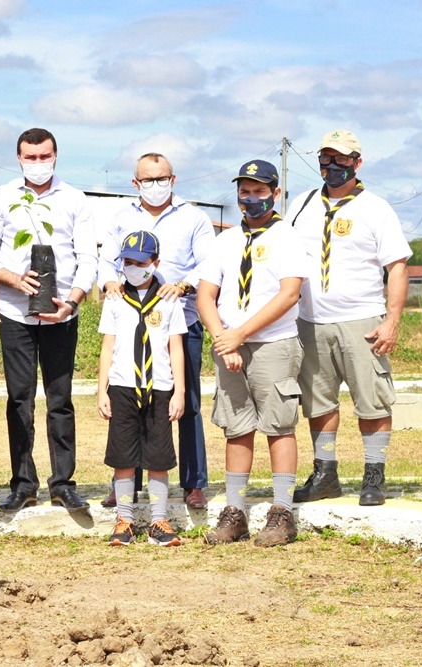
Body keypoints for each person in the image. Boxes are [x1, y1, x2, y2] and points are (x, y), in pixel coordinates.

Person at [0, 128, 97, 513]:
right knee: (18, 401)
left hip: (60, 315)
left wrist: (72, 303)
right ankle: (23, 484)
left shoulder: (75, 199)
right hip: (14, 314)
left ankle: (63, 483)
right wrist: (12, 277)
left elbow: (88, 259)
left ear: (56, 156)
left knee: (60, 401)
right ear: (19, 157)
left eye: (45, 157)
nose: (38, 163)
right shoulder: (3, 198)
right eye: (31, 157)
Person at [287, 130, 412, 507]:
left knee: (372, 402)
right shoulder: (302, 203)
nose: (331, 166)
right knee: (318, 403)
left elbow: (398, 267)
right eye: (325, 158)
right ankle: (326, 473)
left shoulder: (376, 208)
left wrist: (391, 321)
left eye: (341, 159)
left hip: (362, 321)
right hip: (310, 321)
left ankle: (374, 475)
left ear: (357, 162)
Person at [197, 160, 307, 547]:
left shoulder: (287, 237)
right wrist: (223, 337)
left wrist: (240, 333)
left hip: (273, 343)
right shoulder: (224, 240)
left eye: (260, 191)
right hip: (229, 344)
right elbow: (205, 295)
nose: (251, 198)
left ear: (275, 193)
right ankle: (234, 512)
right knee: (236, 425)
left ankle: (281, 513)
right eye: (245, 190)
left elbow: (289, 294)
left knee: (278, 425)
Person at [97, 152, 215, 510]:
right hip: (130, 319)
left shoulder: (194, 217)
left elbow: (208, 262)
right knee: (129, 406)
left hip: (179, 319)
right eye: (147, 180)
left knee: (184, 402)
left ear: (173, 179)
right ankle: (125, 485)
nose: (155, 185)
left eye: (161, 178)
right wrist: (108, 284)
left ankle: (193, 482)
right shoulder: (120, 217)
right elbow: (106, 261)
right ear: (136, 183)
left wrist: (183, 285)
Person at [97, 231, 186, 547]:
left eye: (140, 262)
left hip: (159, 388)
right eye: (127, 262)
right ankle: (125, 521)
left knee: (159, 458)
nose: (132, 267)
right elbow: (108, 347)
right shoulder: (116, 299)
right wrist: (101, 390)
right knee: (123, 458)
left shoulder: (169, 300)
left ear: (155, 262)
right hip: (122, 387)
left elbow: (176, 348)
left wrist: (180, 392)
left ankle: (159, 520)